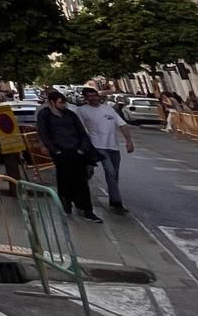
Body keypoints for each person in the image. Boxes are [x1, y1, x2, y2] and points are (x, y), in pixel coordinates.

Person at [36, 90, 100, 222]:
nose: (63, 105)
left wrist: (82, 149)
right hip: (61, 152)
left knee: (82, 180)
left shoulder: (70, 114)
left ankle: (86, 209)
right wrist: (54, 150)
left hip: (76, 151)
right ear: (52, 102)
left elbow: (82, 132)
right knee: (64, 178)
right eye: (60, 102)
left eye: (64, 102)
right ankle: (66, 203)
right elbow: (43, 132)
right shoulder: (45, 114)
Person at [75, 87, 134, 214]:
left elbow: (122, 125)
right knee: (110, 172)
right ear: (85, 98)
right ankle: (117, 202)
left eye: (94, 95)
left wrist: (129, 141)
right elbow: (80, 128)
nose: (93, 98)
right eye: (89, 96)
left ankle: (113, 199)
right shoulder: (82, 110)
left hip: (113, 146)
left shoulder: (108, 109)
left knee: (114, 175)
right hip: (97, 146)